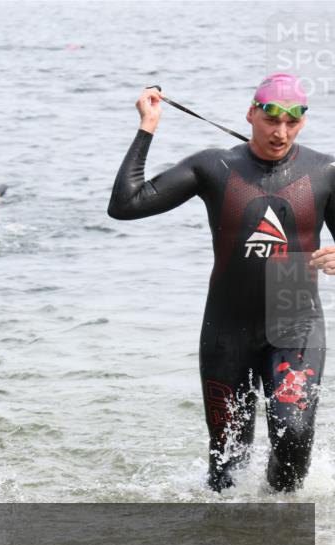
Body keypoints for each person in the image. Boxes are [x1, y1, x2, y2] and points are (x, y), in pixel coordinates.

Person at [108, 73, 334, 492]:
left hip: (294, 317)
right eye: (271, 120)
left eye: (292, 122)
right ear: (251, 114)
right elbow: (125, 205)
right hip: (227, 328)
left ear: (303, 122)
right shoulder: (214, 166)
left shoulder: (325, 171)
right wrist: (147, 128)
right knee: (227, 466)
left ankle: (279, 531)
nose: (280, 133)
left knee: (294, 435)